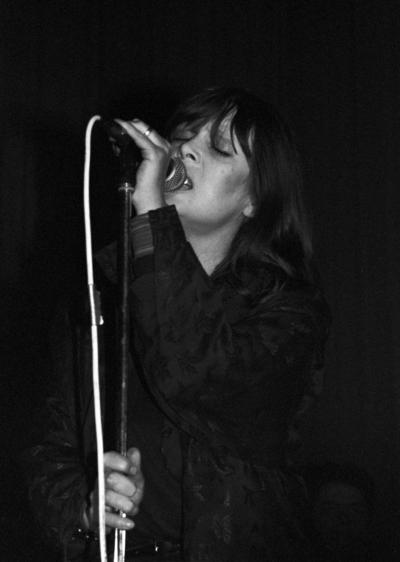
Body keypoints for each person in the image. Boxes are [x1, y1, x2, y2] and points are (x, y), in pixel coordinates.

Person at [27, 87, 330, 561]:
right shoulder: (98, 295)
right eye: (184, 134)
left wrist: (153, 214)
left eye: (218, 148)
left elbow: (193, 373)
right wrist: (85, 506)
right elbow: (48, 447)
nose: (186, 148)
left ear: (254, 199)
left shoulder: (287, 310)